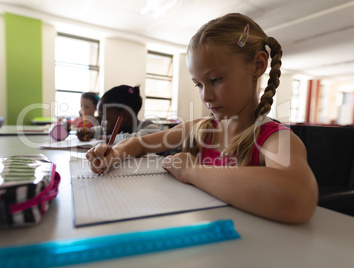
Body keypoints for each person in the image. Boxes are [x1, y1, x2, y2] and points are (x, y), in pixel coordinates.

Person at [85, 13, 318, 224]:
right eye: (198, 84)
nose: (205, 96)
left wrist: (191, 171)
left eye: (216, 79)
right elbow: (138, 143)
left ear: (258, 65)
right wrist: (114, 153)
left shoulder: (273, 140)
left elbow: (298, 196)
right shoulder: (202, 128)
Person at [77, 85, 160, 143]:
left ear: (125, 116)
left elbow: (134, 141)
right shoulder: (119, 130)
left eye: (105, 119)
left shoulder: (152, 129)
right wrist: (90, 131)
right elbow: (101, 130)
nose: (102, 123)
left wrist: (109, 139)